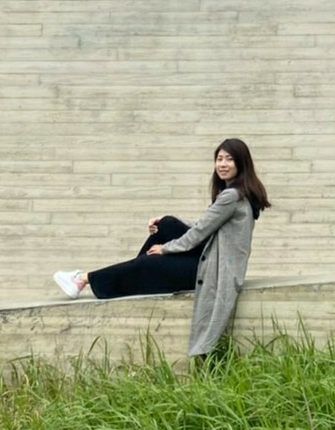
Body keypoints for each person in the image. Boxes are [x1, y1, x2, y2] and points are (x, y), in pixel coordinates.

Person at [53, 137, 270, 357]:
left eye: (229, 159)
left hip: (213, 267)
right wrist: (164, 226)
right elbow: (204, 226)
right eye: (219, 159)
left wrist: (165, 248)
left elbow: (198, 233)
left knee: (149, 263)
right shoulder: (237, 193)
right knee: (165, 224)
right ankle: (131, 273)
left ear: (241, 163)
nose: (222, 164)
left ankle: (84, 278)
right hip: (210, 254)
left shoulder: (231, 196)